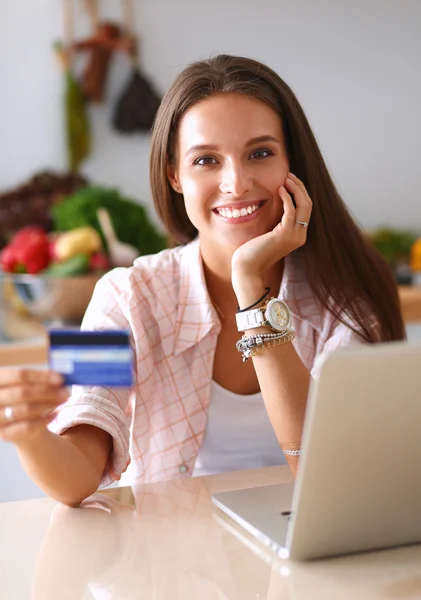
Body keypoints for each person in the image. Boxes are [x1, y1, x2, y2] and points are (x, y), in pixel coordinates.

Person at [0, 55, 405, 506]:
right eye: (206, 160)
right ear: (174, 174)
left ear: (294, 162)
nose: (236, 182)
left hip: (316, 556)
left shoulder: (349, 293)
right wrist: (30, 435)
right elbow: (75, 480)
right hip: (179, 560)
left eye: (260, 153)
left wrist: (250, 286)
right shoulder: (120, 295)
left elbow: (328, 474)